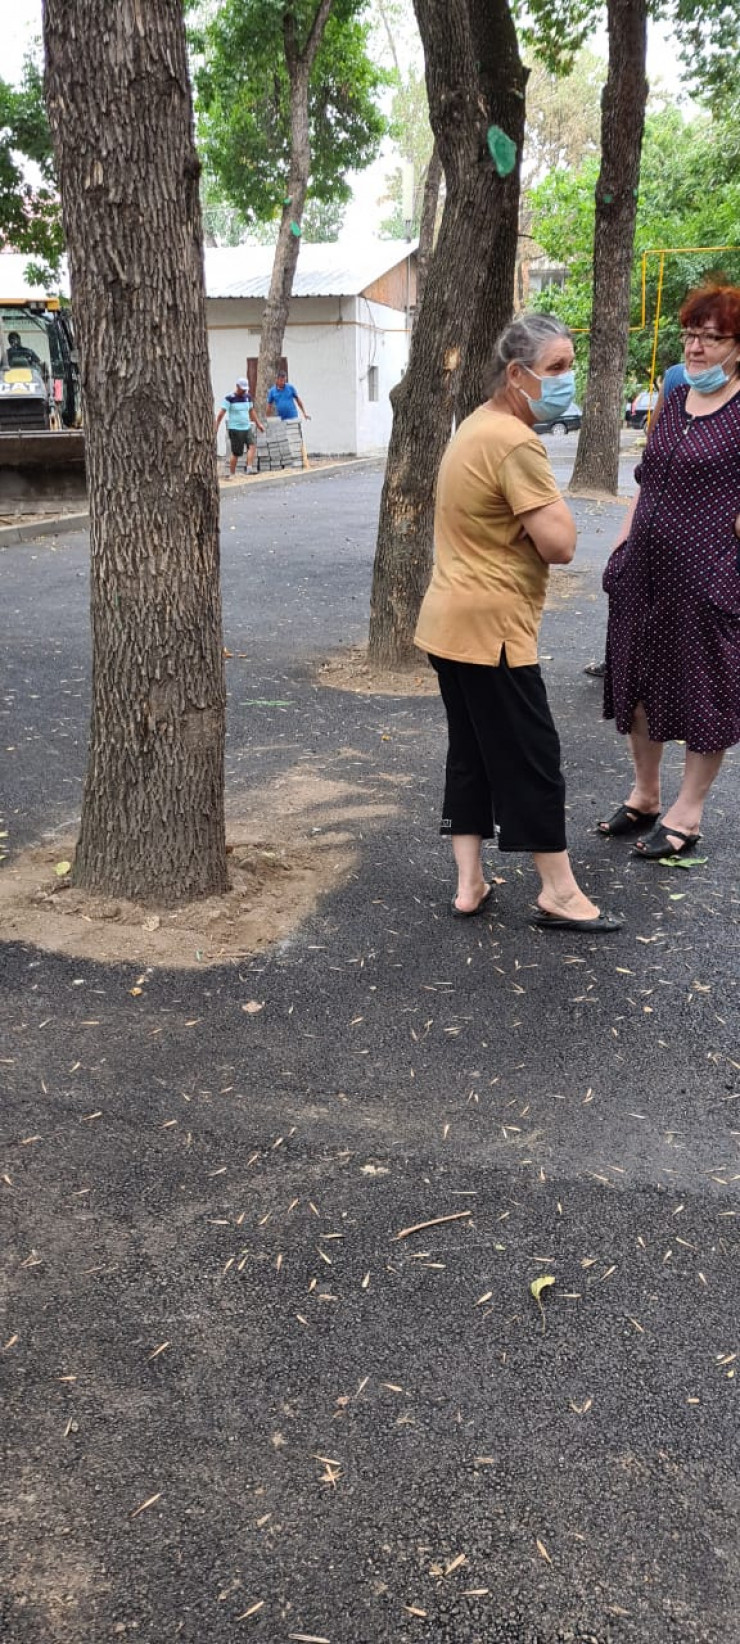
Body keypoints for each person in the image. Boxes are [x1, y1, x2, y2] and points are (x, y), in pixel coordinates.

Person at [414, 311, 622, 934]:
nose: (566, 379)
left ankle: (470, 882)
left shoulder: (476, 425)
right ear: (516, 374)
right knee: (532, 756)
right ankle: (559, 891)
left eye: (569, 366)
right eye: (555, 368)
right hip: (492, 629)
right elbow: (561, 543)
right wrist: (538, 528)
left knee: (473, 751)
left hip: (449, 621)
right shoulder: (514, 441)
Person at [597, 281, 740, 858]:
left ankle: (688, 813)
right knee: (637, 683)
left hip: (707, 578)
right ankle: (646, 794)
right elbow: (646, 481)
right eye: (689, 334)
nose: (696, 347)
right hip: (644, 573)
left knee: (702, 693)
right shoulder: (675, 398)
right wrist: (621, 547)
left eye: (712, 337)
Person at [214, 378, 265, 478]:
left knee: (252, 445)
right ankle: (232, 473)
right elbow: (221, 413)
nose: (244, 391)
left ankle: (249, 468)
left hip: (246, 427)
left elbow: (251, 411)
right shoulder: (230, 398)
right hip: (235, 429)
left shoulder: (248, 397)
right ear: (237, 386)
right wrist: (217, 426)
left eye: (245, 389)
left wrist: (258, 424)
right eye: (242, 389)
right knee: (237, 453)